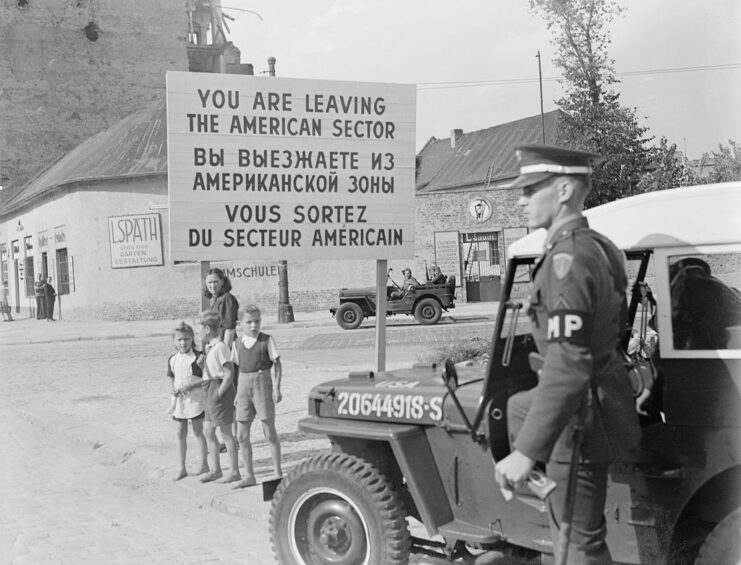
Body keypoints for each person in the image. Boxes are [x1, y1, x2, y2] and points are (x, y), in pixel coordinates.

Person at [494, 144, 641, 564]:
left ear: (562, 190)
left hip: (579, 420)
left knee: (575, 544)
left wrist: (525, 454)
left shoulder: (568, 259)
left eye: (530, 189)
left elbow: (568, 364)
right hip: (596, 402)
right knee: (519, 406)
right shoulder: (596, 245)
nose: (521, 200)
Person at [231, 304, 283, 488]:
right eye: (249, 322)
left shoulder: (267, 341)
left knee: (269, 432)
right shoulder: (237, 343)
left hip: (263, 384)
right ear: (240, 323)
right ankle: (249, 475)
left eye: (257, 321)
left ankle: (277, 473)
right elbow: (236, 370)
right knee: (241, 435)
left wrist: (277, 388)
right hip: (244, 386)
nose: (254, 326)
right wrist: (237, 394)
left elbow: (277, 365)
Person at [196, 310, 240, 484]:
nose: (197, 333)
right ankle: (215, 469)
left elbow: (229, 373)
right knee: (208, 430)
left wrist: (219, 394)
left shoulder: (220, 347)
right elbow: (210, 372)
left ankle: (234, 470)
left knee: (226, 432)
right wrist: (201, 366)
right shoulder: (209, 347)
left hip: (218, 390)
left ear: (207, 329)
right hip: (209, 388)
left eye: (198, 329)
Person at [165, 322, 209, 481]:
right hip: (179, 401)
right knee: (180, 432)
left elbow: (206, 378)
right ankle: (182, 467)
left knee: (198, 431)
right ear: (174, 341)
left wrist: (191, 385)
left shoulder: (198, 357)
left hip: (195, 399)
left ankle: (204, 463)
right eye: (179, 340)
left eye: (186, 339)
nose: (183, 343)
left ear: (192, 339)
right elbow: (171, 376)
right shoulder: (173, 359)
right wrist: (172, 388)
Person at [203, 268, 239, 349]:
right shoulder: (215, 299)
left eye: (215, 282)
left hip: (225, 345)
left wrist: (225, 351)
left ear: (222, 281)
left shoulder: (226, 299)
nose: (212, 286)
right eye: (210, 282)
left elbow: (230, 329)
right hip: (217, 344)